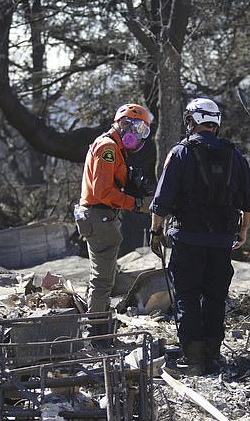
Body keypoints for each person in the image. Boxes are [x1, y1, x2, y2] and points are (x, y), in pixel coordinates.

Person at [149, 97, 250, 374]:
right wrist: (242, 231)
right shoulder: (235, 155)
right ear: (215, 124)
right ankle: (213, 353)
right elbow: (249, 203)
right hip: (222, 241)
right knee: (215, 297)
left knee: (187, 296)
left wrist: (155, 231)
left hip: (187, 239)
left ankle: (194, 357)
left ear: (191, 121)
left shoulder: (180, 153)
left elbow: (162, 200)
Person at [75, 103, 154, 339]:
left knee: (104, 276)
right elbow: (102, 192)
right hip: (100, 216)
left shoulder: (114, 149)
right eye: (136, 127)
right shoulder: (108, 148)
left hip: (103, 217)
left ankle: (98, 324)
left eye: (143, 130)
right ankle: (96, 332)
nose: (138, 134)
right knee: (102, 280)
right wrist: (137, 204)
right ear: (122, 123)